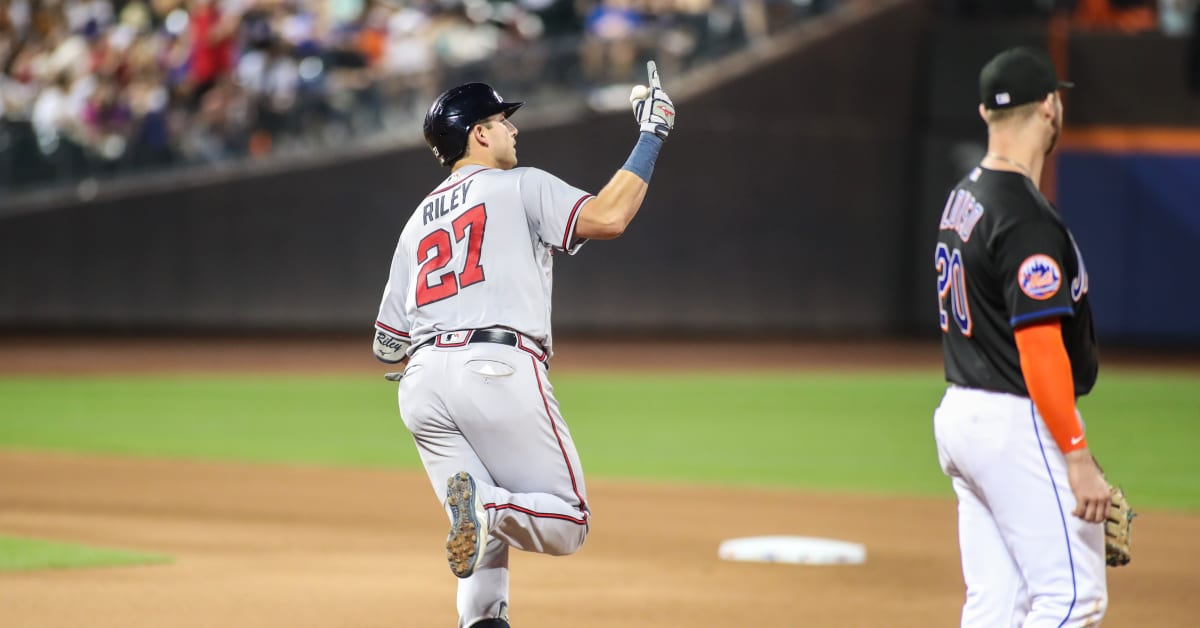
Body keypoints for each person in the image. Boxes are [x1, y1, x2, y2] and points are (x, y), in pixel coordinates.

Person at [372, 63, 675, 628]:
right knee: (566, 524)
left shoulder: (415, 222)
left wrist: (431, 345)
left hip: (421, 386)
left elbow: (387, 344)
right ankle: (484, 508)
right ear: (478, 134)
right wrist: (651, 135)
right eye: (502, 120)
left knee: (484, 539)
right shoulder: (520, 183)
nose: (514, 130)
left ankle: (482, 595)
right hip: (496, 366)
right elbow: (607, 218)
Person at [931, 46, 1111, 627]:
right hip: (1012, 419)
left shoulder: (967, 195)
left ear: (986, 113)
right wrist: (1076, 455)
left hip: (963, 413)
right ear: (1052, 107)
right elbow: (1038, 348)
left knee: (998, 604)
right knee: (1072, 599)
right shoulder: (1024, 215)